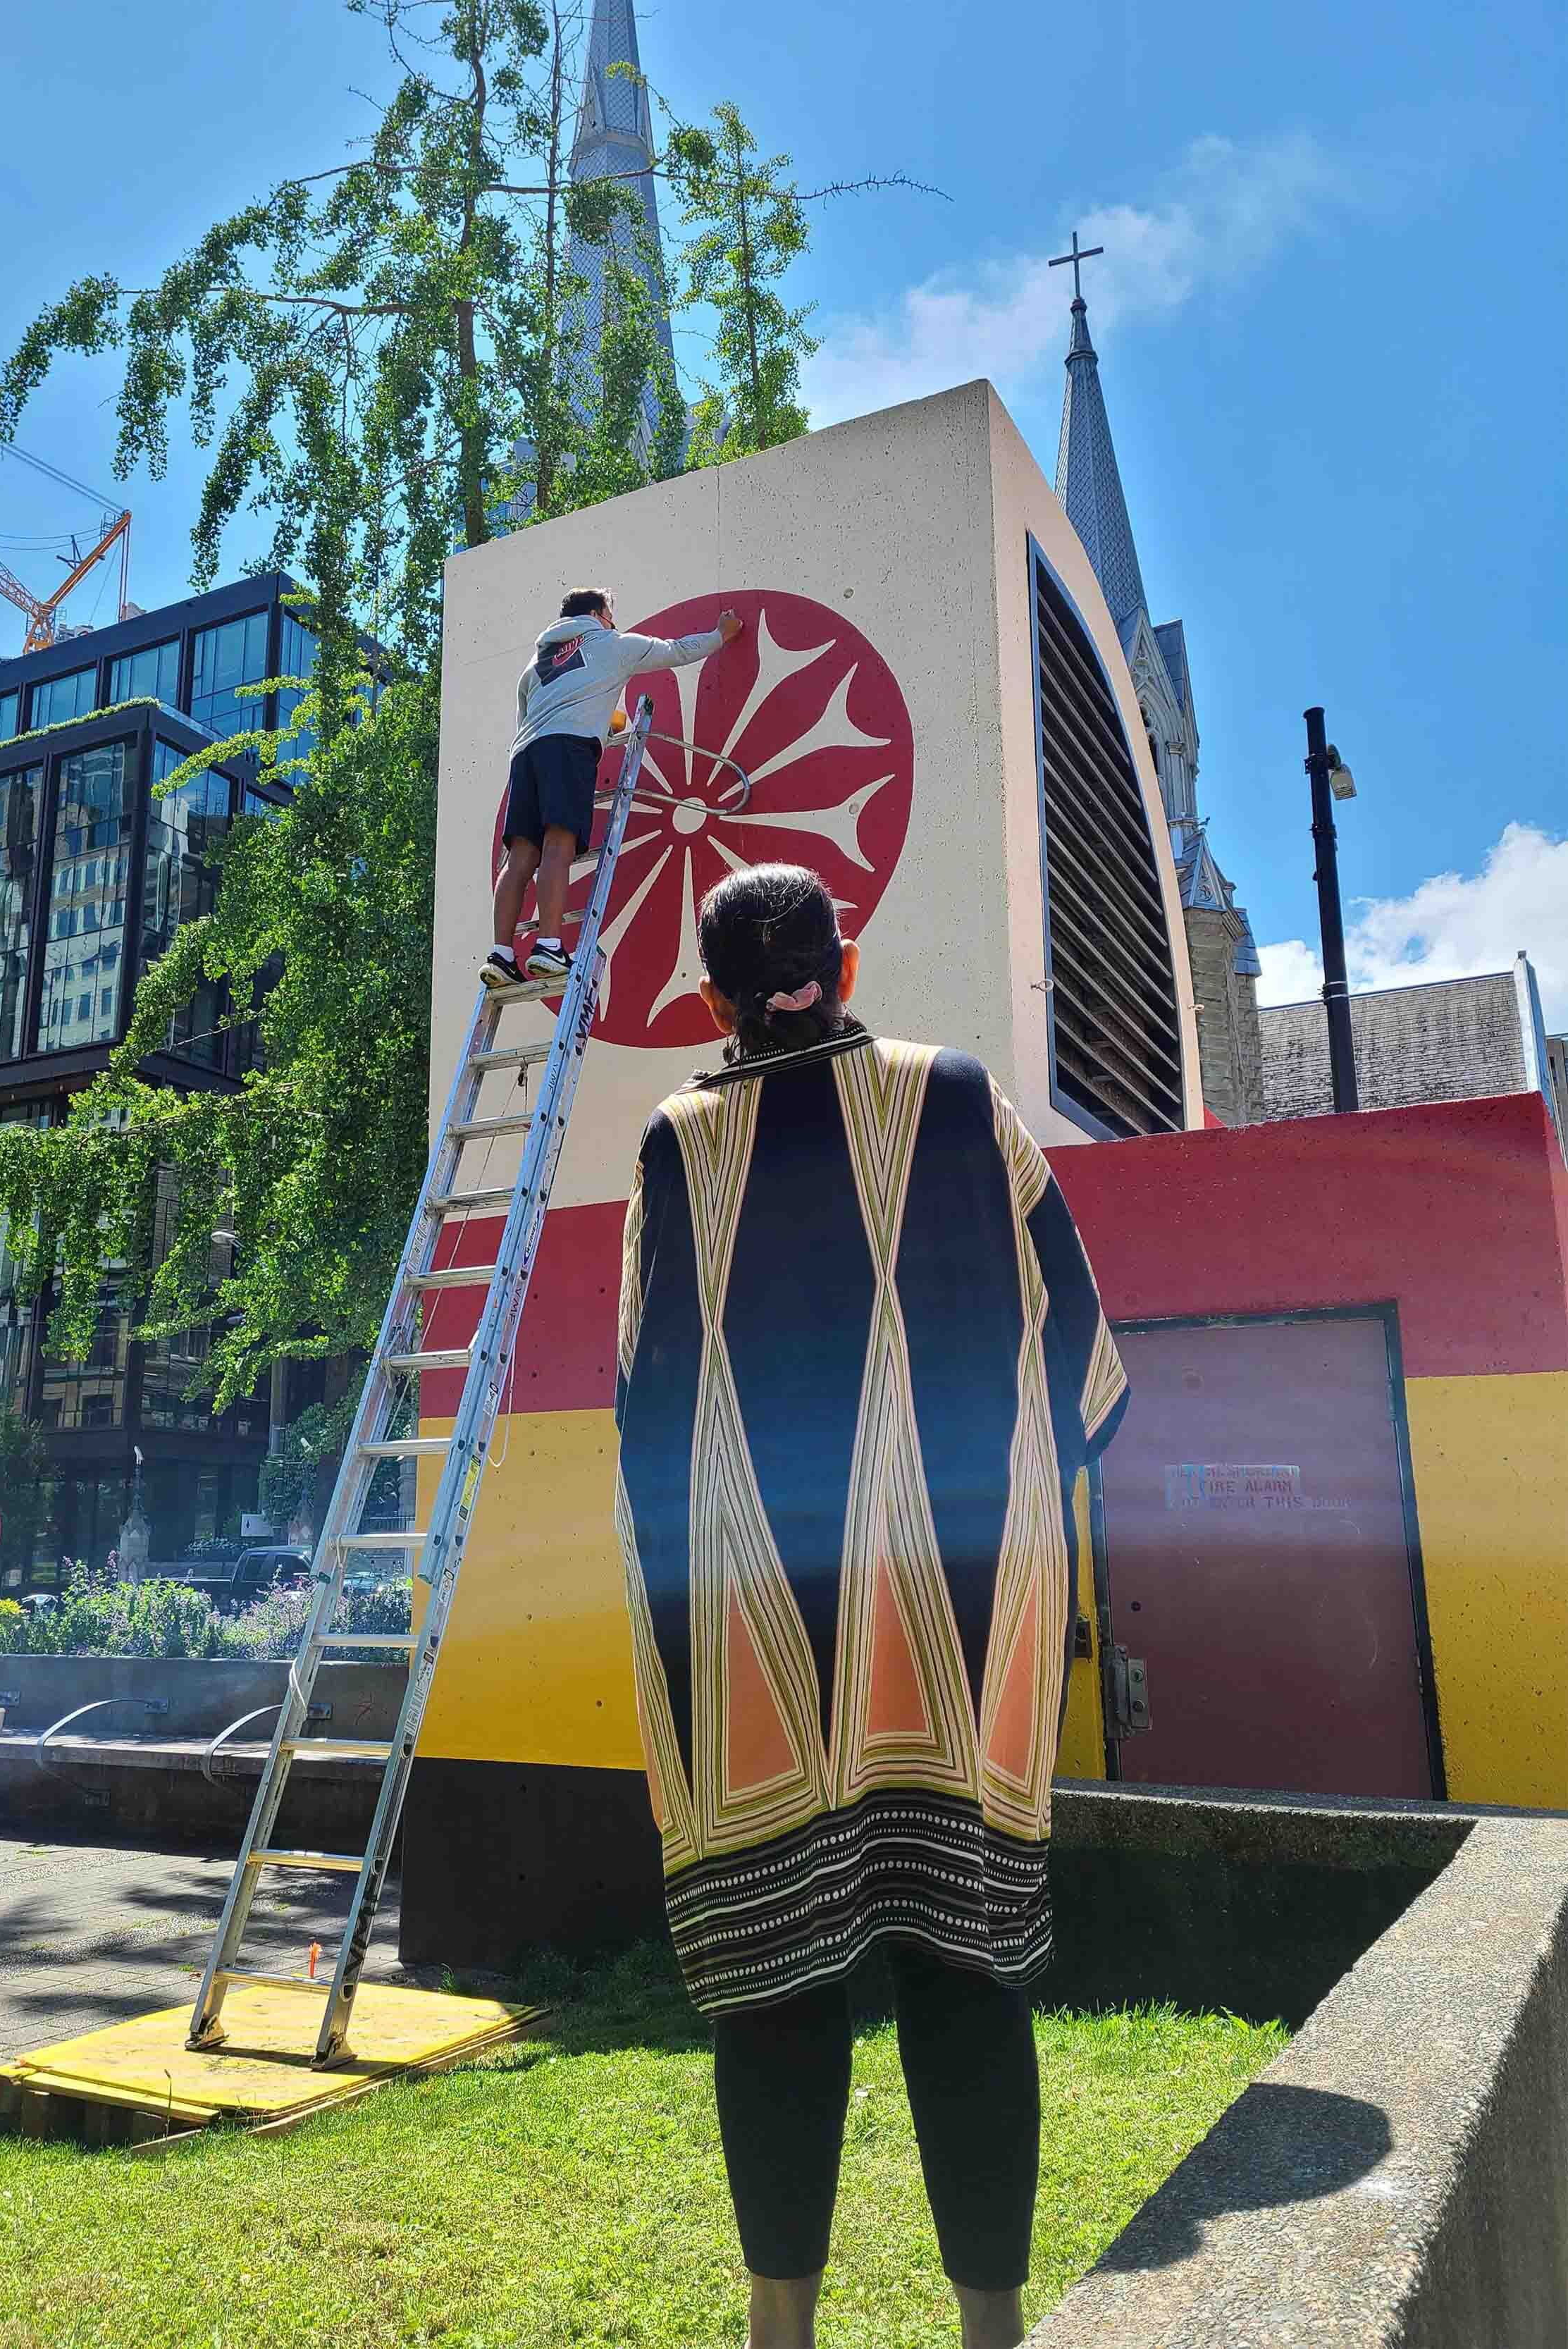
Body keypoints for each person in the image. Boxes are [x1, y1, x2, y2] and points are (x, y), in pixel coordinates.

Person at [613, 863, 1130, 2349]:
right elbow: (1087, 1358)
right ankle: (990, 2330)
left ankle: (780, 2331)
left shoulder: (679, 1142)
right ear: (848, 963)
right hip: (965, 1635)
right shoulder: (961, 1097)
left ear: (711, 1002)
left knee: (773, 1990)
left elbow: (648, 1399)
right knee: (966, 1983)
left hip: (748, 1636)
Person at [483, 588, 742, 988]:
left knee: (520, 854)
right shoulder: (610, 643)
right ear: (600, 613)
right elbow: (674, 650)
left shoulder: (536, 664)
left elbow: (536, 716)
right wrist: (720, 635)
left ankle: (500, 955)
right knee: (559, 841)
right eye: (612, 613)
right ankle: (549, 946)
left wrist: (603, 722)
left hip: (525, 754)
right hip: (568, 749)